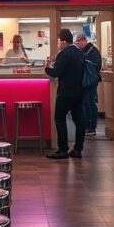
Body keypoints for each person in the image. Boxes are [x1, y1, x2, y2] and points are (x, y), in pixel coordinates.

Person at [44, 29, 87, 159]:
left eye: (58, 41)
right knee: (79, 120)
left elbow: (56, 72)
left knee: (59, 118)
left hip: (66, 92)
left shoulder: (64, 54)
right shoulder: (79, 52)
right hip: (80, 92)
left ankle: (63, 149)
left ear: (63, 41)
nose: (58, 44)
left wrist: (46, 68)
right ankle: (78, 149)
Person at [75, 33, 102, 136]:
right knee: (85, 104)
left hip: (89, 82)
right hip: (85, 81)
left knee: (90, 103)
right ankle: (87, 126)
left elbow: (96, 67)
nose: (77, 44)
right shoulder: (86, 51)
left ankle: (91, 126)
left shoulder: (92, 51)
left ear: (84, 40)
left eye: (78, 41)